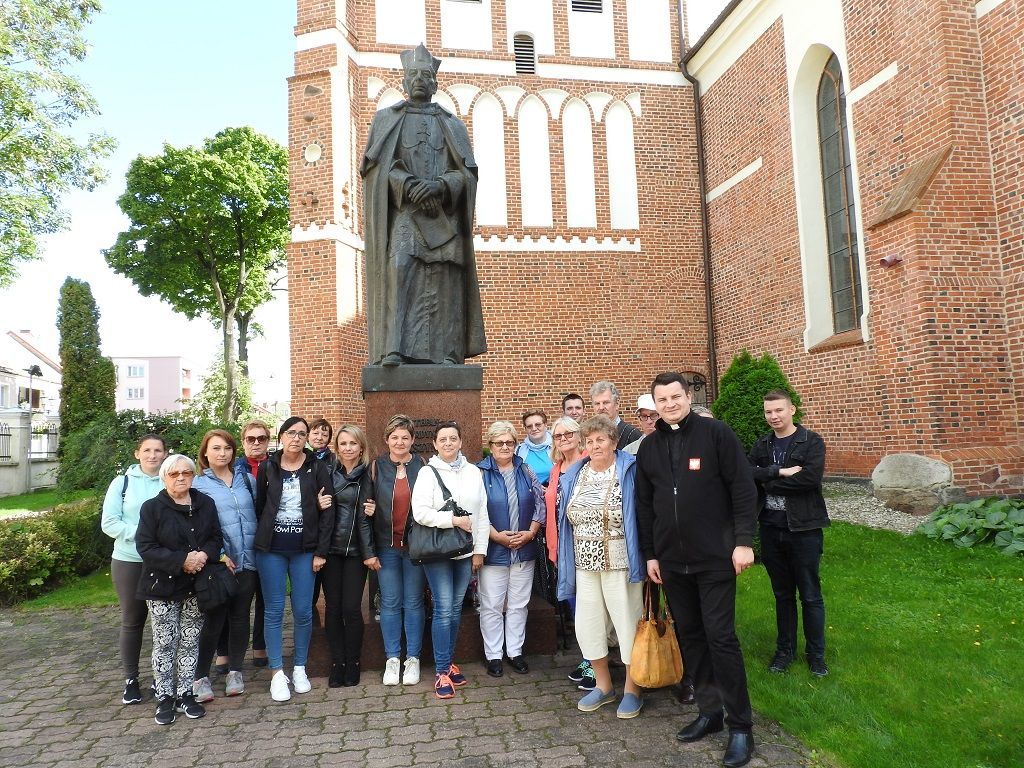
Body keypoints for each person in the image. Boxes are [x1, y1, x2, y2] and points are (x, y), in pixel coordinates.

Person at [635, 372, 758, 768]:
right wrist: (651, 554)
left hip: (715, 557)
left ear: (688, 397)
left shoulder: (716, 434)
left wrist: (743, 542)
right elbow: (644, 505)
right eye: (662, 399)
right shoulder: (650, 447)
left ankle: (741, 727)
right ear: (654, 404)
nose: (669, 404)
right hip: (671, 561)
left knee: (720, 637)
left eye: (675, 396)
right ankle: (710, 713)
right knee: (691, 636)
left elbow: (742, 487)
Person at [361, 43, 486, 367]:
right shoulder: (387, 120)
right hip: (407, 214)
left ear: (434, 82)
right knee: (399, 268)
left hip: (442, 219)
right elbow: (376, 170)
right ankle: (394, 349)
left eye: (425, 75)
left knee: (444, 283)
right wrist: (407, 184)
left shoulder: (452, 125)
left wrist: (441, 186)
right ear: (403, 81)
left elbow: (467, 173)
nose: (419, 79)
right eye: (413, 74)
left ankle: (447, 353)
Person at [556, 415, 645, 718]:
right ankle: (604, 686)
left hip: (620, 561)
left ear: (613, 442)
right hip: (585, 563)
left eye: (601, 440)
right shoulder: (575, 474)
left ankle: (633, 689)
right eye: (590, 441)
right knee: (589, 625)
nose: (595, 445)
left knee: (627, 624)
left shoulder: (629, 470)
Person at [748, 390, 830, 677]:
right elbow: (748, 473)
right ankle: (784, 651)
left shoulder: (811, 442)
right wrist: (779, 473)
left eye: (779, 410)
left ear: (791, 409)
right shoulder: (763, 444)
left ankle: (816, 655)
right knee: (782, 595)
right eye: (769, 412)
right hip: (771, 529)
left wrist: (768, 481)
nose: (774, 416)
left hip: (804, 529)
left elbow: (809, 479)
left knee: (810, 595)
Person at [135, 454, 222, 725]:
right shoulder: (152, 508)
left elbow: (215, 537)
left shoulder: (205, 503)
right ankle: (164, 697)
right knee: (165, 643)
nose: (181, 478)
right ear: (164, 477)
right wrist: (182, 560)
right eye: (175, 474)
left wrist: (202, 557)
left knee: (190, 640)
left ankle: (185, 694)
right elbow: (146, 547)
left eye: (186, 473)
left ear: (193, 475)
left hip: (196, 584)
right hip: (162, 585)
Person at [254, 416, 335, 702]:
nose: (297, 438)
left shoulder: (317, 467)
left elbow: (329, 513)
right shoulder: (268, 467)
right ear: (281, 436)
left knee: (302, 611)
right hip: (272, 551)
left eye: (302, 434)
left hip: (305, 551)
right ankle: (277, 673)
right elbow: (261, 506)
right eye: (291, 433)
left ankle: (299, 667)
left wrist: (321, 552)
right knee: (274, 611)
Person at [410, 421, 489, 699]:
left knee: (455, 608)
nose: (448, 443)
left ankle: (449, 661)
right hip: (438, 553)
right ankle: (442, 671)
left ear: (460, 441)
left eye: (453, 438)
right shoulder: (427, 473)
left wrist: (479, 549)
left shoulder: (473, 472)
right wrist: (452, 520)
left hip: (465, 552)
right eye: (442, 439)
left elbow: (482, 513)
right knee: (444, 608)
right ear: (434, 443)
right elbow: (419, 513)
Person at [191, 429, 258, 701]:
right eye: (216, 448)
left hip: (249, 559)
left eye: (227, 448)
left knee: (241, 616)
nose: (222, 453)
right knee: (214, 619)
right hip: (219, 563)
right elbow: (194, 528)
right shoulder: (197, 485)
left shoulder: (248, 481)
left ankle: (235, 671)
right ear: (205, 453)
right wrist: (218, 553)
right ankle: (200, 676)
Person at [101, 433, 168, 705]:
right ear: (137, 454)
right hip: (129, 560)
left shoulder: (170, 479)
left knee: (163, 622)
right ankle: (131, 679)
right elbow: (109, 523)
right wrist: (143, 536)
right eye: (147, 450)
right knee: (132, 620)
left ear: (165, 454)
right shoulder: (122, 483)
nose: (153, 455)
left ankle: (160, 676)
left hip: (162, 562)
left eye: (158, 450)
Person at [362, 414, 427, 686]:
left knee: (413, 602)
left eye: (405, 437)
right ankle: (392, 659)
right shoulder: (376, 467)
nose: (400, 442)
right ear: (386, 440)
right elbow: (364, 511)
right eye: (395, 437)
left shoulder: (423, 466)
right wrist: (368, 551)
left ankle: (412, 658)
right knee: (389, 602)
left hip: (415, 546)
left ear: (412, 440)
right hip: (386, 547)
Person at [477, 421, 545, 677]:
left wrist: (531, 532)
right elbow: (475, 511)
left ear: (516, 444)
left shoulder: (525, 470)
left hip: (523, 549)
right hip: (494, 551)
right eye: (499, 443)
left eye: (509, 442)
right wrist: (495, 536)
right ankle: (494, 655)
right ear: (490, 446)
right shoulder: (480, 473)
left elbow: (541, 503)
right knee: (492, 604)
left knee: (518, 604)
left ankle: (515, 651)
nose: (505, 447)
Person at [542, 416, 594, 690]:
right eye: (558, 436)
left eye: (568, 434)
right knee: (575, 605)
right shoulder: (556, 468)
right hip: (562, 547)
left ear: (578, 435)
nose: (563, 439)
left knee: (591, 608)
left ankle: (595, 661)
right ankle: (589, 657)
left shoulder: (589, 463)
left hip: (586, 545)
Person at [321, 425, 373, 687]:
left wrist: (375, 509)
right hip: (330, 550)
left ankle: (353, 661)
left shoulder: (369, 474)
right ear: (337, 447)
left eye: (353, 443)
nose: (348, 448)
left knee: (351, 609)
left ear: (361, 447)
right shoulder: (326, 471)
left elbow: (377, 509)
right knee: (333, 609)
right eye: (343, 443)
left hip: (355, 552)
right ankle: (337, 662)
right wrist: (317, 505)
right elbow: (310, 505)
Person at [236, 420, 272, 668]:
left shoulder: (276, 465)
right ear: (243, 442)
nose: (256, 443)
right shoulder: (234, 468)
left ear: (268, 441)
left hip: (271, 540)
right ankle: (228, 651)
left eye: (261, 438)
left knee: (267, 597)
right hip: (241, 541)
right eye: (251, 439)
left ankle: (260, 647)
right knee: (239, 599)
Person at [590, 380, 642, 449]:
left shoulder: (631, 434)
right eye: (597, 404)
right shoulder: (589, 435)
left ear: (617, 404)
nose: (601, 407)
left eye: (606, 402)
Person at [516, 408, 554, 485]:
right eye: (529, 426)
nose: (534, 429)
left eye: (538, 425)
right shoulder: (518, 450)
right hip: (528, 495)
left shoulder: (557, 447)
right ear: (525, 429)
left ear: (546, 425)